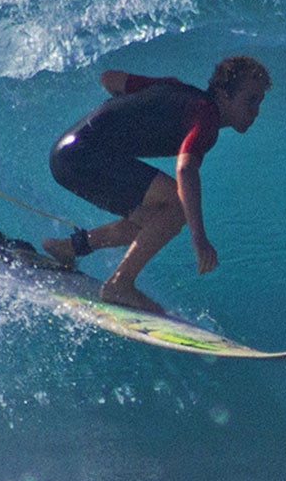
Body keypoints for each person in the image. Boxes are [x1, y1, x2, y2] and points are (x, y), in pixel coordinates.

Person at [43, 55, 271, 314]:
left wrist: (134, 113)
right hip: (84, 156)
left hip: (66, 153)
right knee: (176, 207)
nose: (255, 111)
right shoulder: (206, 117)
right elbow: (186, 169)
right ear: (223, 95)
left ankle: (68, 248)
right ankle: (120, 284)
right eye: (250, 100)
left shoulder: (172, 88)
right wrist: (199, 239)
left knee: (154, 220)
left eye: (259, 102)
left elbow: (110, 79)